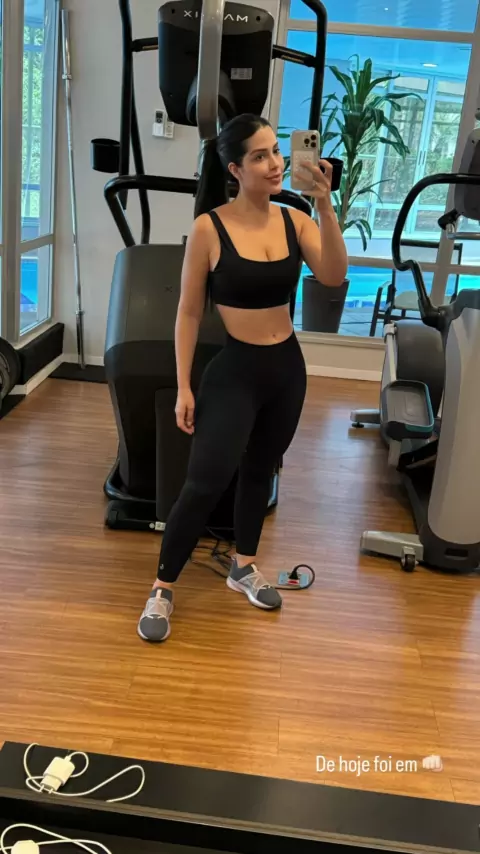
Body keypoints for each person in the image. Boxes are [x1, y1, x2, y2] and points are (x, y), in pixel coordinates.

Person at [137, 113, 347, 643]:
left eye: (276, 151)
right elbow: (188, 313)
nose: (275, 163)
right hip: (235, 372)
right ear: (234, 169)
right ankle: (162, 587)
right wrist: (184, 386)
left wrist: (325, 205)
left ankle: (244, 566)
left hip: (286, 370)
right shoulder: (210, 228)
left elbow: (333, 275)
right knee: (205, 481)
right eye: (259, 156)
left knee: (260, 472)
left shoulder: (296, 220)